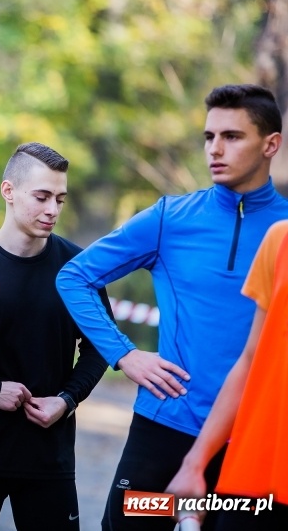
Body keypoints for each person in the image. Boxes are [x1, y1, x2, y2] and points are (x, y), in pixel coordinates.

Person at [56, 83, 288, 530]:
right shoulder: (170, 218)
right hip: (166, 427)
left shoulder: (285, 231)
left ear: (270, 145)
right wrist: (124, 354)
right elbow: (75, 276)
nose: (215, 149)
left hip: (252, 443)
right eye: (208, 137)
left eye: (232, 136)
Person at [0, 142, 110, 531]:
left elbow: (102, 348)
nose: (52, 210)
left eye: (60, 199)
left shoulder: (79, 269)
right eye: (42, 196)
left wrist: (66, 401)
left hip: (49, 459)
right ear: (9, 191)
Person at [166, 219, 288, 530]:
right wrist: (194, 464)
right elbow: (250, 361)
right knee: (133, 511)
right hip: (255, 481)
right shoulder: (280, 237)